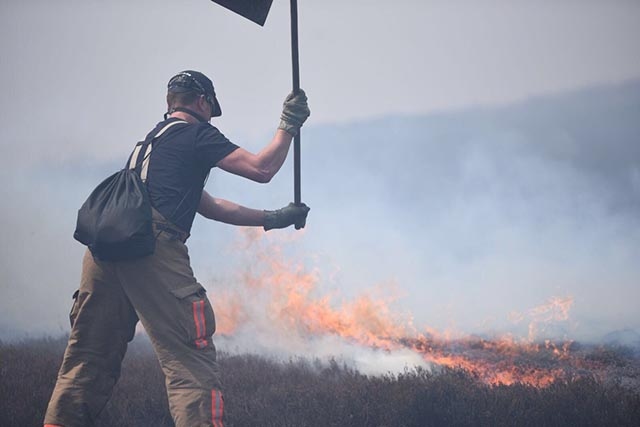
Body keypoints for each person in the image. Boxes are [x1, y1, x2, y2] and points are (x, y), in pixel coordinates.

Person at [43, 70, 311, 427]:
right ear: (202, 103)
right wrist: (289, 125)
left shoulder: (149, 144)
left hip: (102, 255)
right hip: (151, 249)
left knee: (87, 358)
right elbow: (262, 169)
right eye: (211, 109)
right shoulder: (198, 134)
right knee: (190, 358)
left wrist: (272, 218)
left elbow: (210, 205)